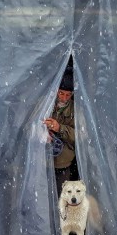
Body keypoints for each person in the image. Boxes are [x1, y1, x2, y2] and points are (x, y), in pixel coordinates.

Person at [43, 68, 75, 196]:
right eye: (61, 93)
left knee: (61, 196)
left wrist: (60, 128)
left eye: (68, 95)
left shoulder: (75, 110)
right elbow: (30, 126)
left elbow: (80, 136)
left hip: (63, 163)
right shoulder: (46, 104)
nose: (64, 98)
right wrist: (43, 133)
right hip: (44, 160)